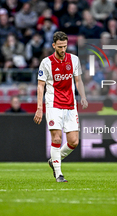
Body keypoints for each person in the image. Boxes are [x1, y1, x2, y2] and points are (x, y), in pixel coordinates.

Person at [33, 31, 88, 183]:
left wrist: (82, 96)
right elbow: (40, 86)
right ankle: (59, 174)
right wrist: (39, 108)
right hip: (53, 104)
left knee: (74, 142)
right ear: (54, 46)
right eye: (60, 47)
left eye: (65, 46)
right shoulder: (46, 62)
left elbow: (78, 81)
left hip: (70, 104)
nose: (63, 50)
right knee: (56, 138)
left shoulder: (74, 60)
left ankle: (54, 161)